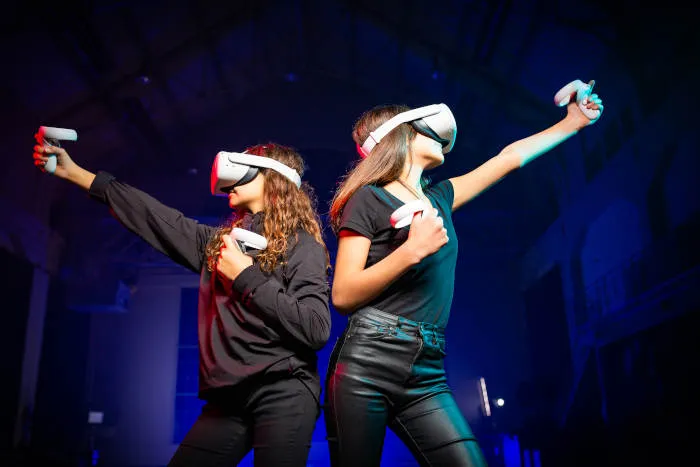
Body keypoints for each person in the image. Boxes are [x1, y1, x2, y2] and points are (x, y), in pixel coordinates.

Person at [324, 81, 604, 466]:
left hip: (427, 369)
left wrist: (573, 122)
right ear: (403, 136)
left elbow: (508, 159)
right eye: (426, 130)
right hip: (367, 363)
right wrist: (410, 251)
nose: (442, 139)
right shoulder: (367, 199)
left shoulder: (439, 197)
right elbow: (343, 294)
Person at [32, 142, 332, 466]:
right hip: (228, 398)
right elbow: (155, 217)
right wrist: (73, 172)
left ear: (272, 178)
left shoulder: (302, 246)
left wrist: (245, 275)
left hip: (284, 391)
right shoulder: (219, 245)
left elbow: (315, 328)